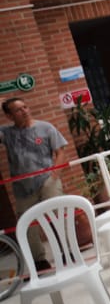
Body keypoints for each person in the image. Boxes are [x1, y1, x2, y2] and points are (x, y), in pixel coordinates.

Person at [1, 98, 74, 271]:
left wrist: (54, 175)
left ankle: (68, 252)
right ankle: (39, 261)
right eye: (18, 110)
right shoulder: (6, 133)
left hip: (47, 180)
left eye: (25, 106)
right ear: (9, 116)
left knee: (58, 215)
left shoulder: (45, 127)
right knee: (27, 223)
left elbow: (60, 152)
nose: (24, 111)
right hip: (22, 187)